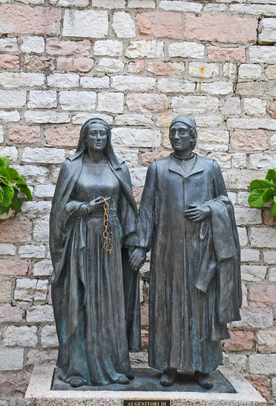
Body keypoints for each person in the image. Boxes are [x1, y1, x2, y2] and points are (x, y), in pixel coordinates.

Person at [129, 114, 241, 389]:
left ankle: (203, 366)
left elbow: (224, 202)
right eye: (173, 133)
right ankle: (168, 365)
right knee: (166, 305)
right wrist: (142, 246)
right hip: (166, 251)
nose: (176, 137)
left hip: (200, 252)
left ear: (193, 136)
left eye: (182, 132)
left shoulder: (209, 167)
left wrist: (208, 209)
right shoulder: (158, 168)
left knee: (201, 308)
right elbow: (147, 209)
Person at [50, 118, 140, 387]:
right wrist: (84, 208)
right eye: (93, 134)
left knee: (110, 303)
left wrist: (135, 245)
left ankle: (113, 365)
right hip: (82, 240)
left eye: (103, 134)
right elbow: (60, 210)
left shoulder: (118, 169)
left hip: (110, 243)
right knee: (83, 299)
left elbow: (127, 209)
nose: (99, 138)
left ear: (108, 138)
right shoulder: (72, 167)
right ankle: (78, 369)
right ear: (84, 138)